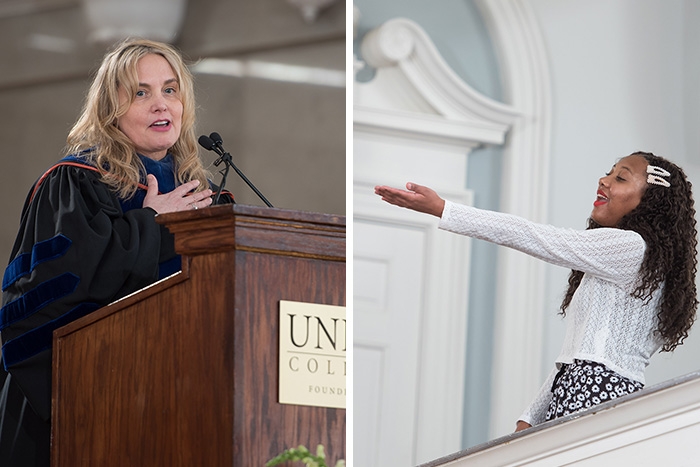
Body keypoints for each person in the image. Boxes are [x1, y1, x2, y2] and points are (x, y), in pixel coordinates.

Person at [0, 38, 234, 466]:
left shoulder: (206, 200)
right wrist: (147, 225)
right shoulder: (75, 183)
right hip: (74, 413)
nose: (161, 105)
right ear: (111, 109)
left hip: (179, 406)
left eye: (170, 89)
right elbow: (44, 296)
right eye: (140, 92)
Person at [375, 151, 698, 432]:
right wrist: (531, 416)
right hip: (586, 388)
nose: (604, 180)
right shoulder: (631, 262)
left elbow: (537, 236)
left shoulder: (631, 248)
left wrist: (443, 209)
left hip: (598, 392)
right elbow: (578, 357)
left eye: (621, 178)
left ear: (649, 203)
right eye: (609, 171)